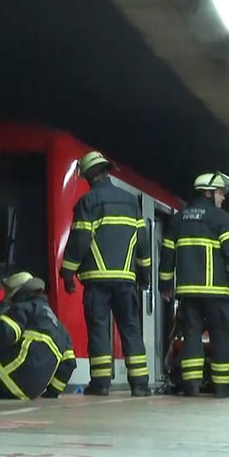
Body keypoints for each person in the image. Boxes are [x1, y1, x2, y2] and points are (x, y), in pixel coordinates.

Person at [59, 151, 151, 397]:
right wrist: (145, 272)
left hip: (97, 281)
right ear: (107, 171)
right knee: (131, 329)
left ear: (89, 175)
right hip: (125, 280)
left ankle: (100, 384)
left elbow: (79, 240)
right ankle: (140, 385)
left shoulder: (87, 202)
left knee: (99, 329)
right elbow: (142, 240)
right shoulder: (131, 202)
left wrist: (68, 273)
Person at [159, 171, 229, 398]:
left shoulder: (179, 218)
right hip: (215, 291)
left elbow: (167, 254)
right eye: (220, 193)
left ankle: (191, 386)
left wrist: (165, 283)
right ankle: (221, 387)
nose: (223, 198)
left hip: (187, 292)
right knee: (220, 335)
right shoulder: (220, 218)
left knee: (191, 336)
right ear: (209, 193)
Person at [0, 272, 76, 400]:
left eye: (8, 292)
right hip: (29, 393)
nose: (6, 298)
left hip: (7, 375)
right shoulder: (60, 328)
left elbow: (4, 333)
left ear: (17, 292)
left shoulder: (25, 308)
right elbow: (69, 364)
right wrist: (50, 393)